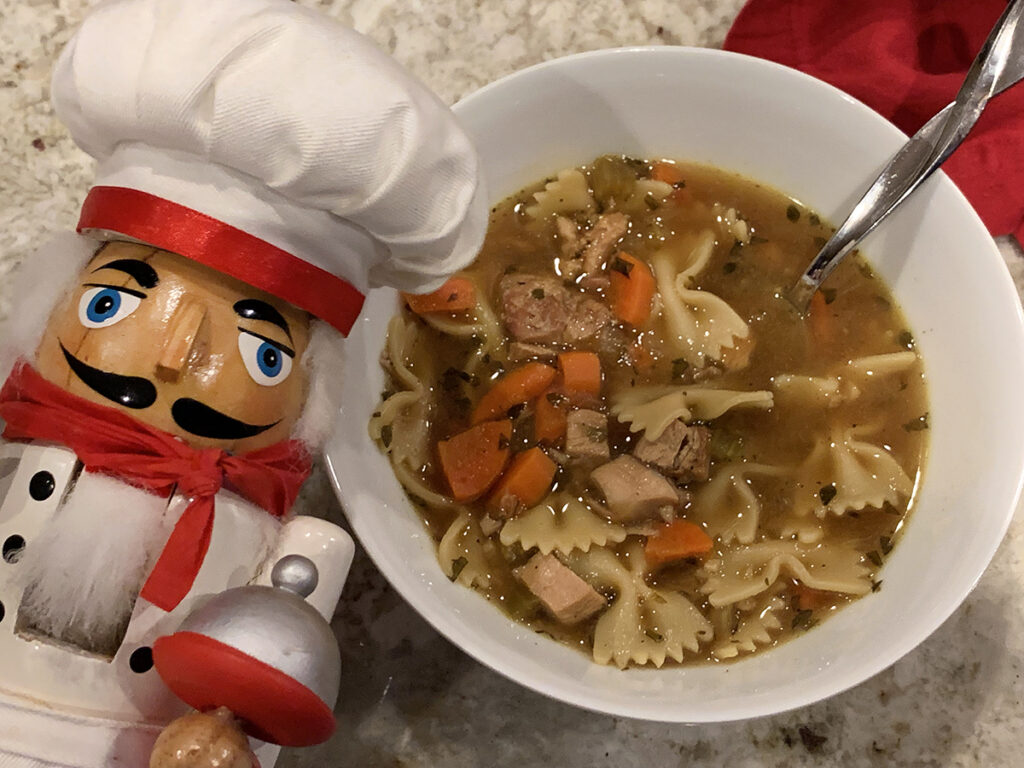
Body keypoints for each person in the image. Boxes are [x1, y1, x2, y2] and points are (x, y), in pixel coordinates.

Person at [0, 0, 486, 766]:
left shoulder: (296, 546)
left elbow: (269, 688)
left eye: (262, 352)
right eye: (115, 301)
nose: (175, 354)